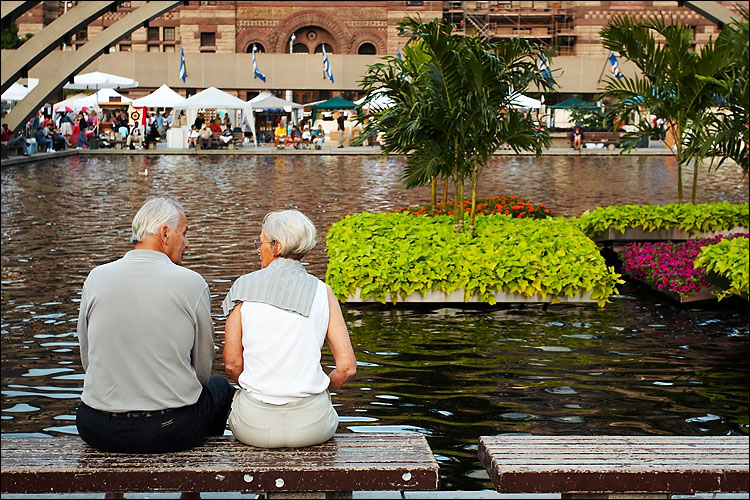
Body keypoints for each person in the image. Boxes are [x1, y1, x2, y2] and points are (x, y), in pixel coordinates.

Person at [75, 196, 234, 453]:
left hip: (97, 426)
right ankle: (193, 489)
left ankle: (113, 494)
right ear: (165, 233)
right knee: (220, 388)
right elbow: (202, 368)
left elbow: (87, 357)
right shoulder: (191, 283)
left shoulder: (95, 278)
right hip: (168, 428)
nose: (187, 243)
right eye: (184, 233)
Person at [222, 210, 356, 448]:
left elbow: (232, 364)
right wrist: (320, 390)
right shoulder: (322, 292)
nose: (258, 248)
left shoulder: (242, 289)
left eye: (260, 242)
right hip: (312, 426)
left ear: (277, 246)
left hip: (254, 427)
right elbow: (346, 367)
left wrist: (260, 387)